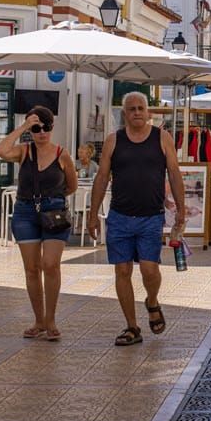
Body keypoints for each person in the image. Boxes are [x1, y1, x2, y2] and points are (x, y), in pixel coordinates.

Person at [87, 92, 187, 347]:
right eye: (131, 109)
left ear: (148, 111)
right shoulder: (113, 141)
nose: (137, 112)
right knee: (122, 271)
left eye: (141, 108)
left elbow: (174, 175)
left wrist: (181, 210)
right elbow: (101, 178)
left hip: (150, 217)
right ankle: (132, 326)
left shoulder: (161, 138)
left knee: (149, 269)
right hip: (119, 216)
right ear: (125, 113)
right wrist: (93, 214)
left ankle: (152, 301)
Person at [0, 106, 77, 342]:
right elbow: (1, 150)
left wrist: (53, 198)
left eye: (47, 127)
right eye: (37, 128)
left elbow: (71, 186)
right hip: (25, 211)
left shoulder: (62, 154)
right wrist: (22, 126)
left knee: (50, 264)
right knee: (32, 269)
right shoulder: (24, 151)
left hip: (54, 212)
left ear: (52, 128)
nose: (42, 132)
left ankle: (51, 319)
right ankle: (39, 320)